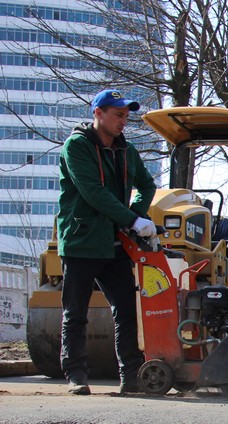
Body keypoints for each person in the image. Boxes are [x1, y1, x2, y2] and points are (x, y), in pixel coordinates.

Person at [57, 89, 157, 395]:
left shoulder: (127, 151)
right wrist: (132, 219)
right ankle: (76, 374)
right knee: (76, 312)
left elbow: (146, 185)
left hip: (114, 243)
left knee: (126, 310)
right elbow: (93, 192)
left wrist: (135, 217)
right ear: (98, 113)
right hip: (82, 242)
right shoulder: (77, 146)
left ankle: (131, 377)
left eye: (126, 116)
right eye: (118, 115)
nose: (123, 122)